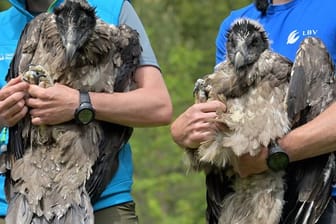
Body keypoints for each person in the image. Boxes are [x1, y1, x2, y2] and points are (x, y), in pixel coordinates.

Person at [0, 0, 172, 223]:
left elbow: (158, 106)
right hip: (16, 201)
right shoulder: (3, 26)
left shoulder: (114, 9)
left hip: (102, 202)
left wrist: (81, 103)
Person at [170, 0, 336, 223]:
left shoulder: (329, 9)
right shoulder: (234, 23)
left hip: (315, 199)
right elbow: (227, 112)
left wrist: (276, 154)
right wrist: (185, 133)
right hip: (247, 200)